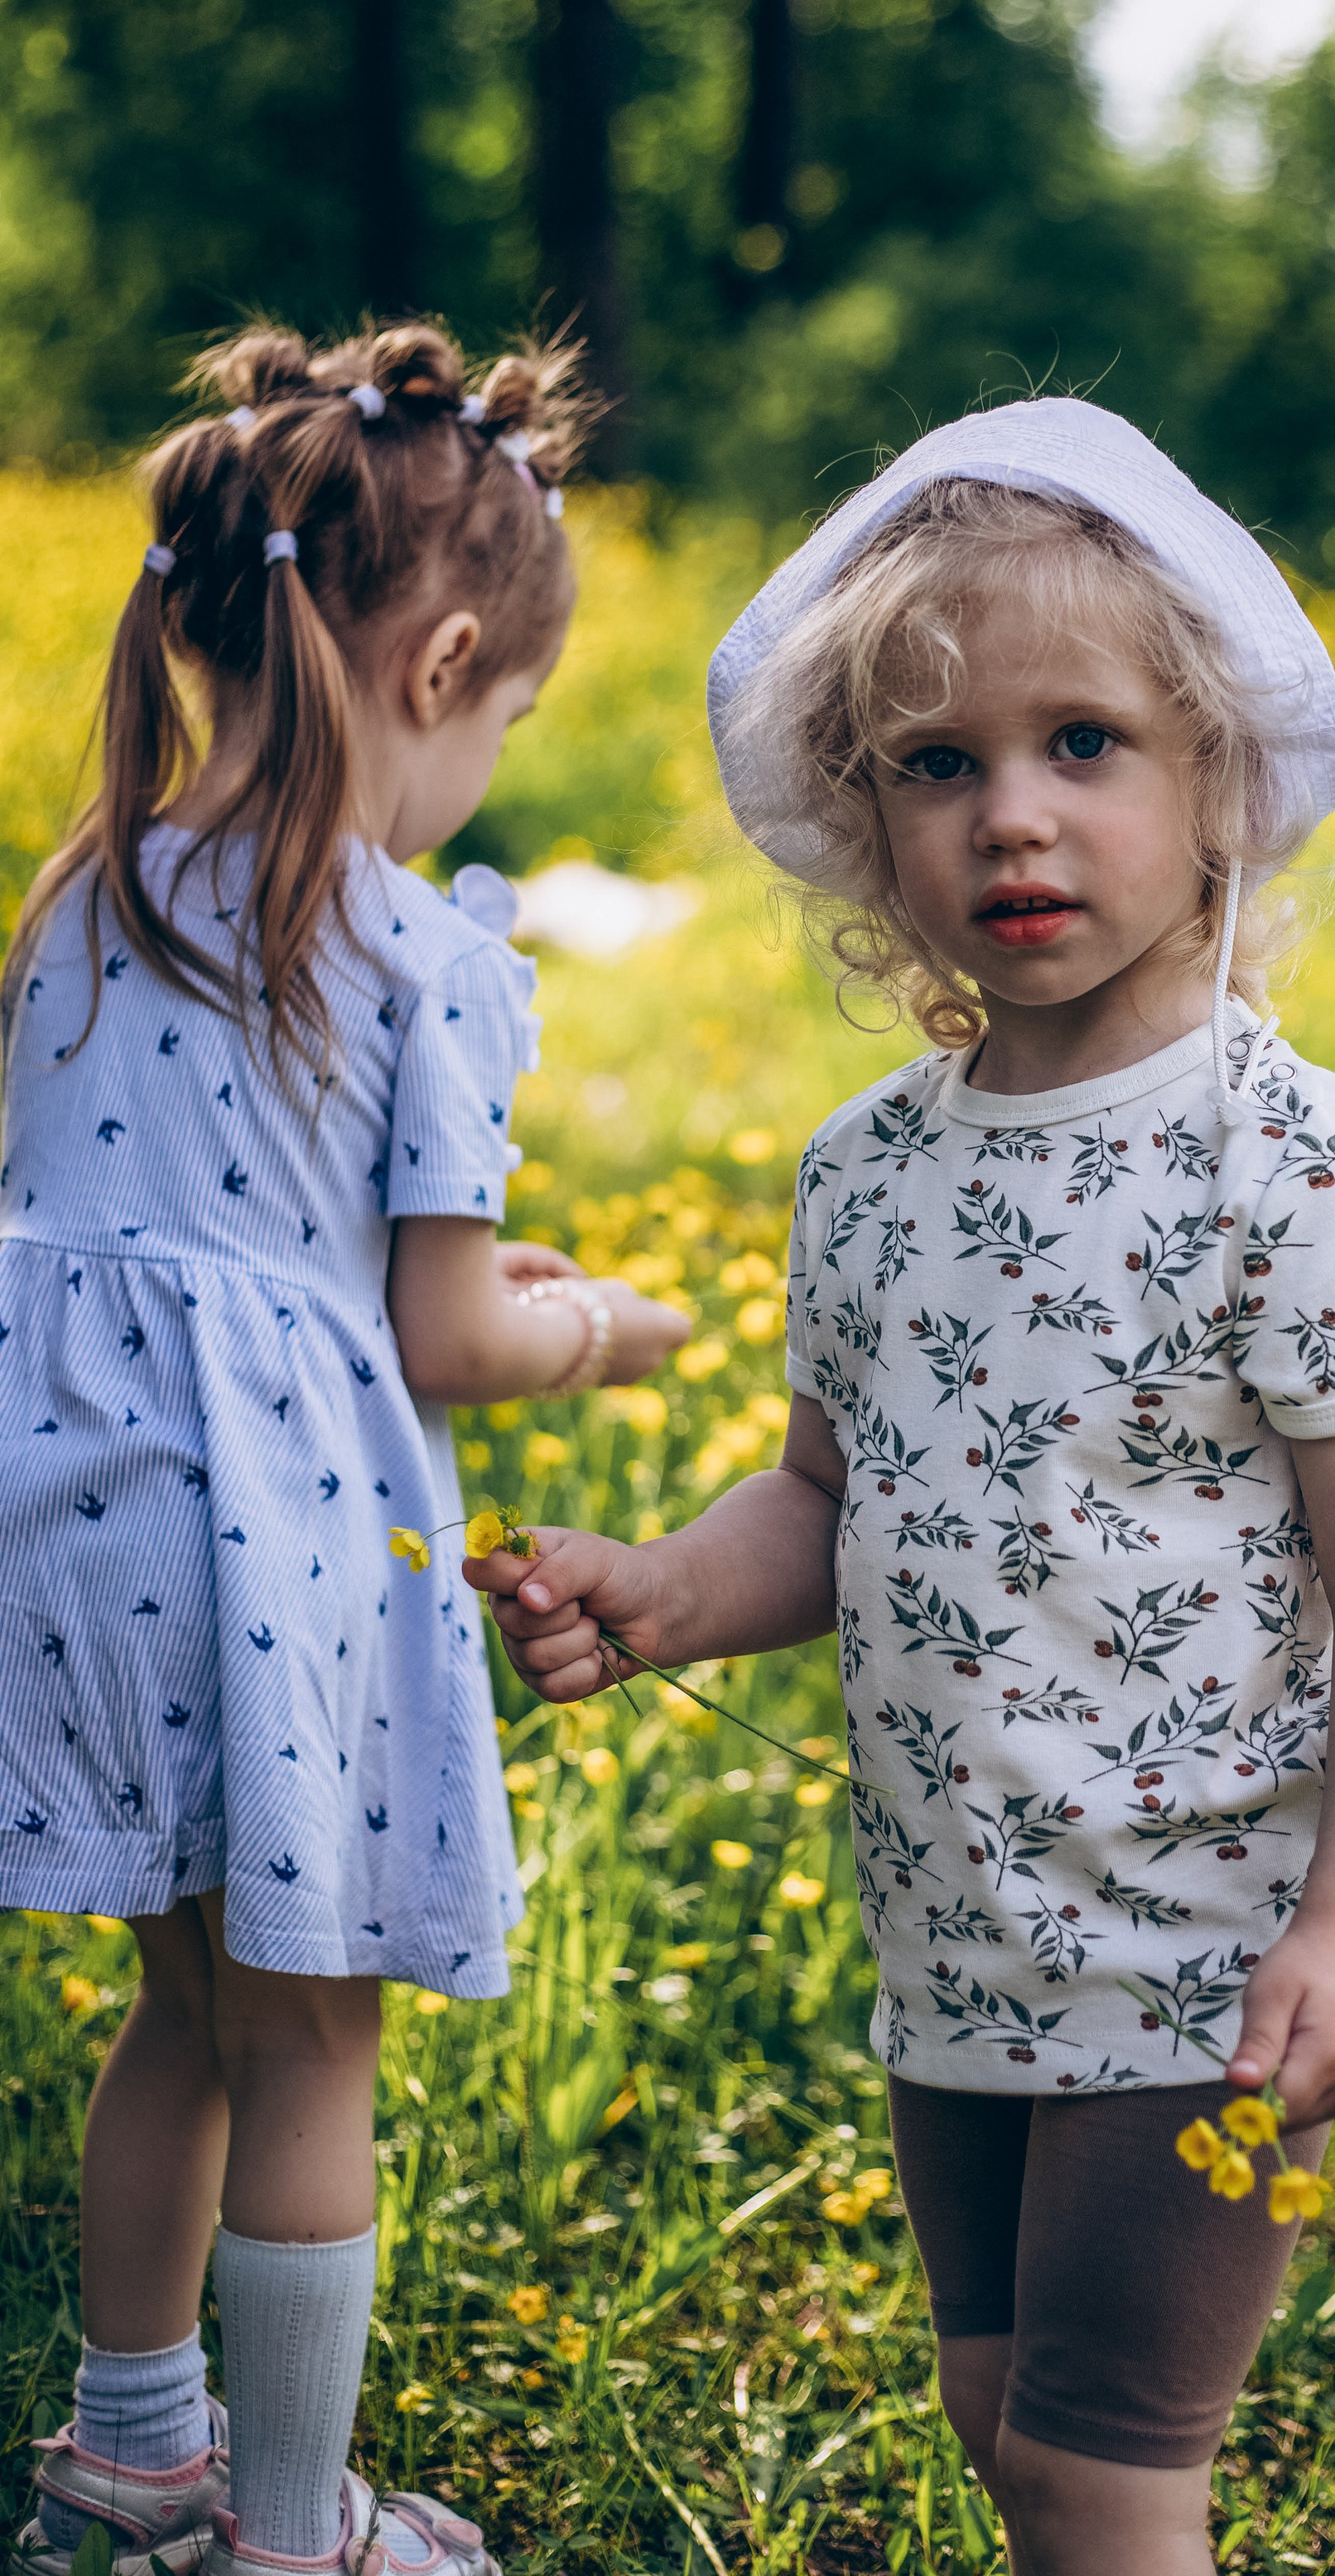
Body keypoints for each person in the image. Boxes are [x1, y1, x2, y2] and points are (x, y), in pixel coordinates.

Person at [468, 398, 1335, 2576]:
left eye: (1085, 745)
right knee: (1000, 2414)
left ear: (1218, 777)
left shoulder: (1301, 1169)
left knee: (1103, 2467)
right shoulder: (871, 1178)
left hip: (1197, 1952)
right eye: (940, 765)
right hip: (956, 1944)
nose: (1013, 814)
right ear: (864, 823)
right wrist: (658, 1586)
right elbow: (826, 1502)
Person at [2, 325, 687, 2576]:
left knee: (180, 2003)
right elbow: (439, 1326)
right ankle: (291, 2540)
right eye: (507, 721)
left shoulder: (83, 898)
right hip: (259, 1544)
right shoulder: (415, 954)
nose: (495, 759)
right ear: (454, 660)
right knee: (313, 2048)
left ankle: (127, 2458)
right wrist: (604, 1330)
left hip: (66, 1533)